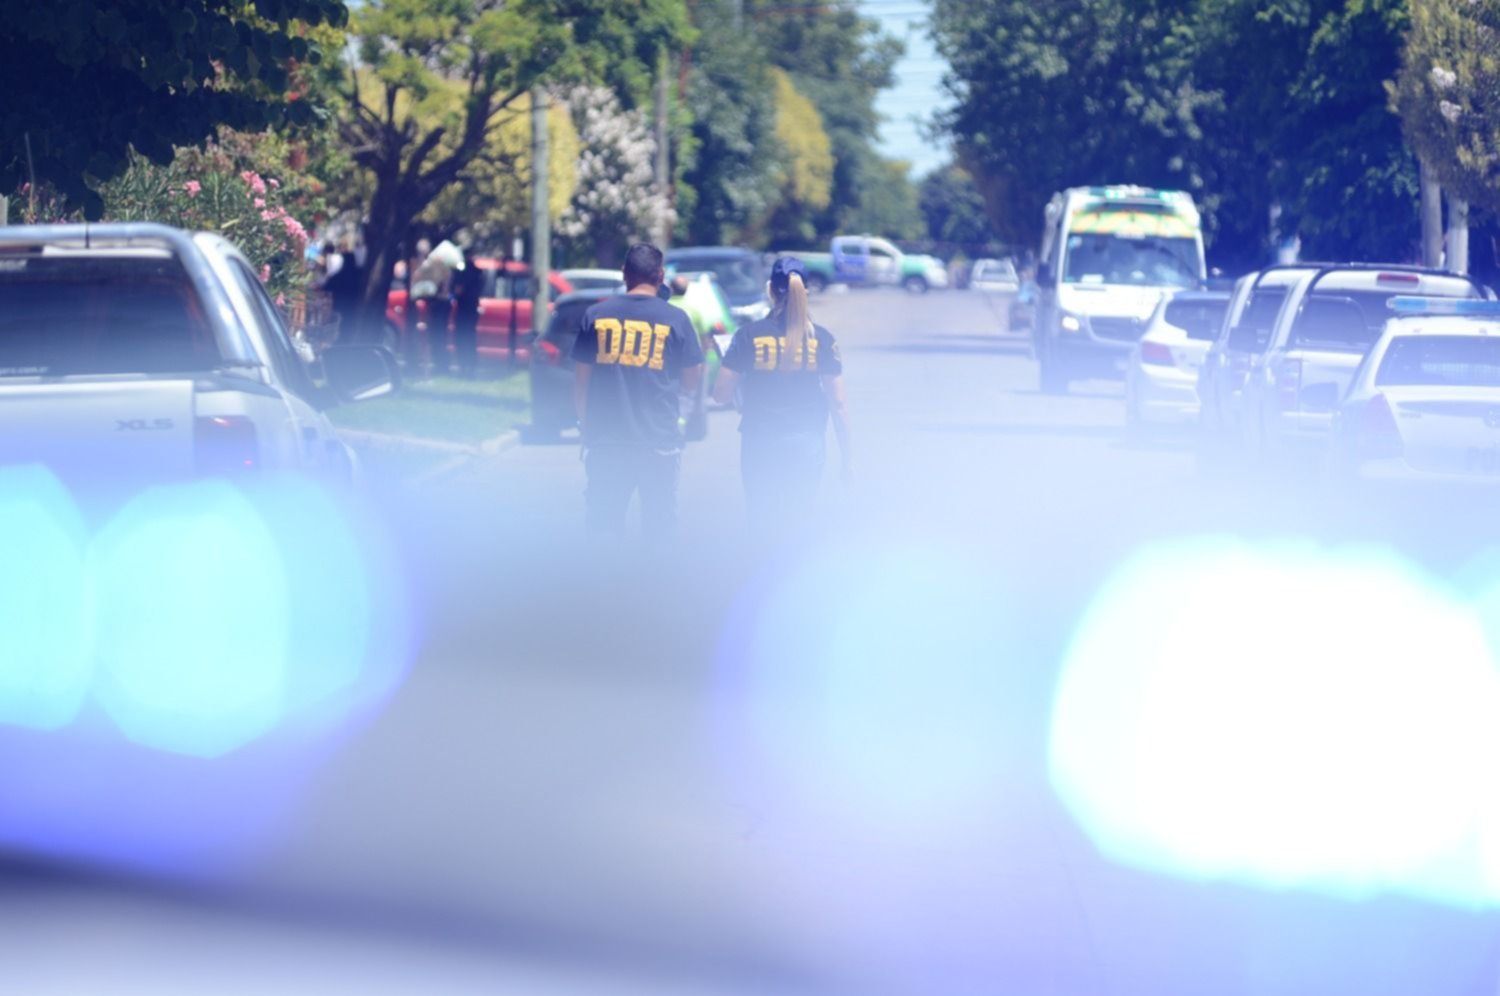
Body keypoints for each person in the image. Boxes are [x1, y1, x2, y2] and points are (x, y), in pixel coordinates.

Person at [572, 243, 704, 539]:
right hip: (659, 442)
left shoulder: (596, 315)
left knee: (604, 529)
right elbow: (692, 380)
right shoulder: (676, 319)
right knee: (659, 529)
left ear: (624, 274)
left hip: (607, 442)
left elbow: (581, 383)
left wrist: (586, 426)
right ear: (660, 276)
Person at [713, 256, 852, 522]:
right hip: (806, 441)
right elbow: (839, 404)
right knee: (798, 518)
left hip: (760, 440)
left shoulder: (748, 335)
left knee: (761, 518)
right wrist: (847, 459)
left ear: (770, 290)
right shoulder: (822, 339)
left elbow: (720, 394)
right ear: (806, 291)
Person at [451, 245, 485, 378]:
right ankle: (471, 366)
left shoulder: (462, 271)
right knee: (471, 338)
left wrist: (454, 295)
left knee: (461, 338)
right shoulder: (478, 271)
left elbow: (458, 289)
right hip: (472, 308)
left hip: (464, 308)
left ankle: (463, 366)